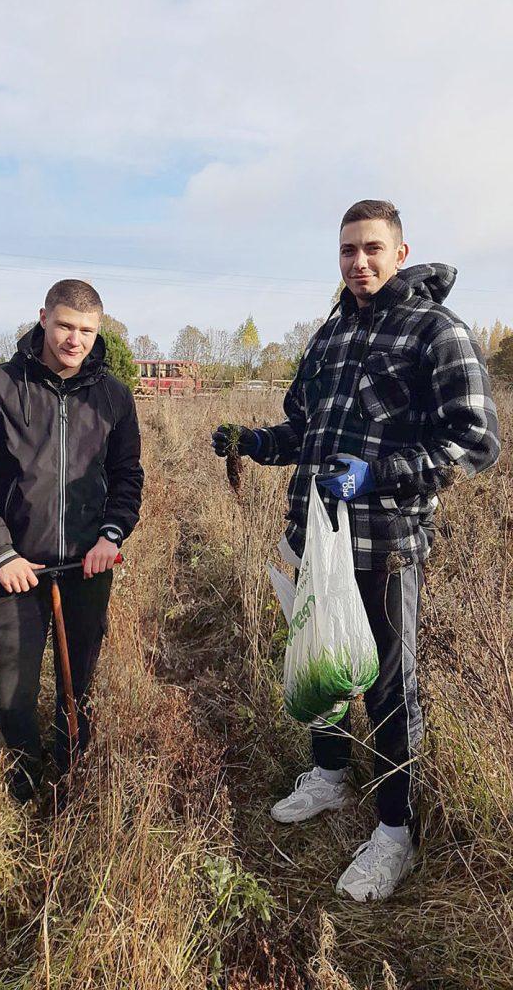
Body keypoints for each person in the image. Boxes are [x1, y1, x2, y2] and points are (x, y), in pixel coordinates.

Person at [212, 200, 500, 902]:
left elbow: (475, 443)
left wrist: (381, 473)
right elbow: (302, 432)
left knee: (389, 688)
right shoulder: (333, 334)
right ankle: (331, 776)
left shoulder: (436, 333)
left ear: (402, 254)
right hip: (313, 540)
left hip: (385, 546)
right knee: (320, 663)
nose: (359, 262)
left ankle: (396, 832)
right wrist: (255, 443)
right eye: (347, 250)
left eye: (372, 248)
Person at [0, 279, 144, 803]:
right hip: (16, 570)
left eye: (85, 330)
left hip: (86, 568)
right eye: (63, 325)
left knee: (76, 685)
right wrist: (0, 553)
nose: (73, 339)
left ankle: (72, 772)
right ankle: (26, 780)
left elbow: (128, 477)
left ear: (97, 330)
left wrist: (110, 535)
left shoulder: (113, 397)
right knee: (13, 692)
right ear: (43, 318)